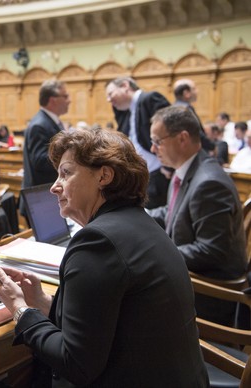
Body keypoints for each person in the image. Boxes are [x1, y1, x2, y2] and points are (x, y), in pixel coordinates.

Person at [0, 127, 208, 387]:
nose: (53, 187)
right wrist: (43, 302)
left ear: (104, 176)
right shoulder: (140, 222)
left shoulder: (97, 242)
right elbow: (107, 323)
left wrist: (21, 310)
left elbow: (76, 364)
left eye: (66, 173)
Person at [148, 106, 246, 326]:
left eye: (157, 141)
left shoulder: (208, 183)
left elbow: (212, 251)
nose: (153, 149)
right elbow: (172, 211)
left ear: (182, 138)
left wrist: (155, 253)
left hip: (210, 294)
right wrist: (139, 216)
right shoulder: (191, 170)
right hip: (190, 277)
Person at [106, 76, 171, 209]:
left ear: (125, 85)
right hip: (143, 177)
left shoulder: (150, 99)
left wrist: (169, 166)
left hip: (160, 174)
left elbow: (170, 130)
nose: (109, 99)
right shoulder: (127, 112)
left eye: (111, 93)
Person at [21, 79, 70, 214]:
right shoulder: (40, 125)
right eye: (65, 96)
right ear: (53, 100)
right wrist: (70, 157)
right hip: (41, 199)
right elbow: (39, 161)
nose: (69, 100)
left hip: (47, 196)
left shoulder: (50, 121)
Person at [172, 78, 214, 152]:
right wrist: (212, 146)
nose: (197, 91)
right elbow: (196, 133)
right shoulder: (185, 110)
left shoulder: (172, 108)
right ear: (186, 93)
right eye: (194, 89)